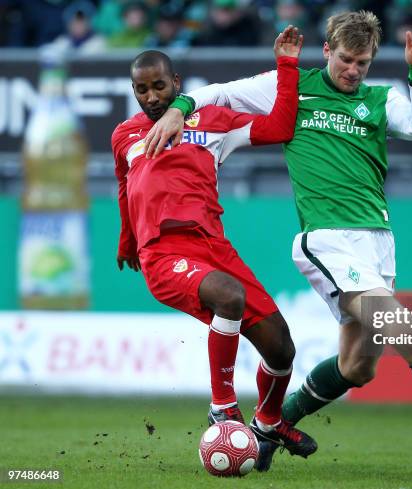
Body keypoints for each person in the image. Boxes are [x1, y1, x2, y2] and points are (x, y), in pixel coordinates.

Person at [142, 10, 412, 472]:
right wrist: (180, 108)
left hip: (378, 243)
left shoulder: (380, 99)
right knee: (410, 335)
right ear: (327, 52)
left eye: (362, 62)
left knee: (358, 367)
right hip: (328, 240)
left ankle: (266, 425)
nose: (352, 70)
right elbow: (220, 92)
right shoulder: (292, 88)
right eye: (345, 60)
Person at [111, 28, 316, 458]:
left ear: (177, 83)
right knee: (229, 296)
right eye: (142, 89)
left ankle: (269, 421)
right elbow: (124, 188)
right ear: (133, 91)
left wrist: (287, 64)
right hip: (163, 253)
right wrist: (128, 241)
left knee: (282, 348)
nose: (151, 97)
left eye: (159, 86)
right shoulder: (124, 136)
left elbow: (280, 126)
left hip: (213, 247)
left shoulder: (212, 122)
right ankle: (222, 407)